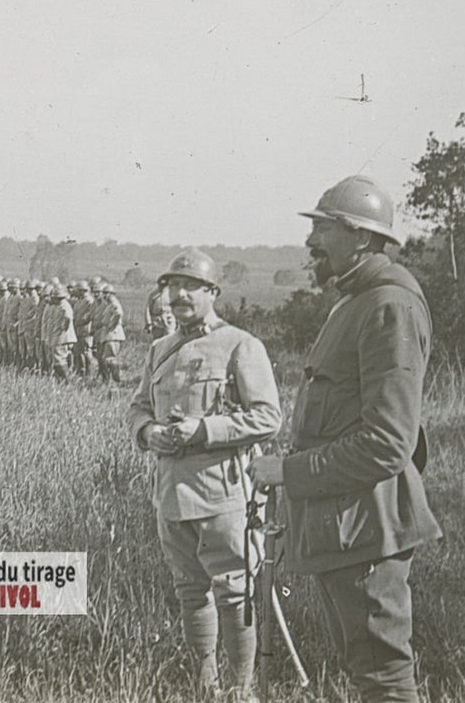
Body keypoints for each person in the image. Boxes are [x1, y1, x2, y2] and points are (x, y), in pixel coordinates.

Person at [249, 176, 442, 703]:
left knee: (383, 678)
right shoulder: (355, 301)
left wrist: (286, 474)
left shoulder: (388, 307)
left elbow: (388, 443)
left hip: (368, 531)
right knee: (367, 672)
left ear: (359, 237)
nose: (312, 242)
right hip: (347, 528)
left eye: (324, 228)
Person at [128, 248, 281, 701]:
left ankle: (242, 688)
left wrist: (205, 429)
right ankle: (206, 680)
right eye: (172, 287)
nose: (178, 295)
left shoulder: (240, 344)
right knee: (189, 590)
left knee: (234, 591)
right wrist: (148, 431)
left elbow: (268, 418)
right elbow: (138, 407)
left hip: (222, 493)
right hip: (170, 494)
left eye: (190, 286)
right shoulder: (161, 348)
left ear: (212, 292)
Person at [91, 280, 126, 386]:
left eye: (106, 293)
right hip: (108, 334)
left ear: (112, 294)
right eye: (104, 293)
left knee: (110, 359)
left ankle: (116, 380)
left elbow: (118, 314)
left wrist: (112, 325)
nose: (104, 295)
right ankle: (108, 380)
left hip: (113, 335)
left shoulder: (114, 303)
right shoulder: (108, 304)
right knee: (105, 358)